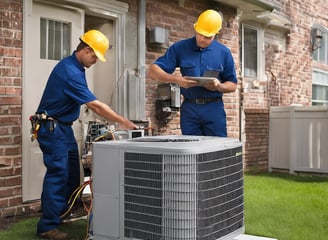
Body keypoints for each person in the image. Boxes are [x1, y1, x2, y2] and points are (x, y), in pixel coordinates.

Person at [34, 29, 138, 240]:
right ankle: (47, 227)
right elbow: (95, 105)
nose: (96, 61)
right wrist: (124, 122)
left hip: (62, 128)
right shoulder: (70, 71)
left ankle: (61, 211)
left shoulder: (75, 67)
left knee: (73, 171)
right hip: (53, 129)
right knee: (58, 175)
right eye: (95, 56)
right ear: (86, 50)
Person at [148, 9, 237, 137]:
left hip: (214, 108)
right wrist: (177, 80)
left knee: (216, 149)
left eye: (207, 37)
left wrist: (219, 86)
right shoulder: (180, 48)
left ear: (216, 34)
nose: (202, 38)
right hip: (190, 108)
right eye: (199, 33)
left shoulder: (224, 52)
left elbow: (232, 85)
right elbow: (153, 71)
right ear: (196, 28)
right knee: (192, 150)